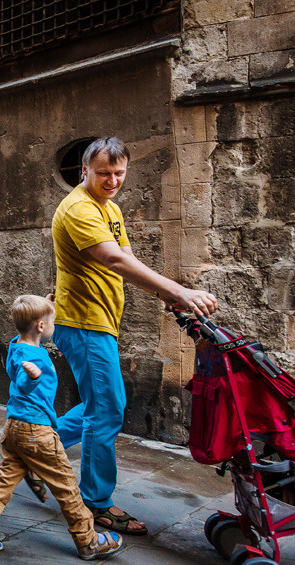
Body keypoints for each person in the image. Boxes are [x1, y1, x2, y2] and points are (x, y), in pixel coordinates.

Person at [50, 137, 218, 536]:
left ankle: (35, 447)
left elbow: (127, 260)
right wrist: (179, 291)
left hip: (100, 320)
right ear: (85, 171)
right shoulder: (78, 208)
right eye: (104, 173)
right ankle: (96, 502)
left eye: (119, 173)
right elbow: (112, 258)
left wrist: (166, 296)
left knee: (101, 405)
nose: (112, 180)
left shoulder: (109, 208)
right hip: (84, 321)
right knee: (107, 409)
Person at [0, 295, 124, 560]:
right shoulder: (33, 358)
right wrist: (32, 377)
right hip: (37, 432)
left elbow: (26, 335)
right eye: (52, 322)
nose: (54, 326)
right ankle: (88, 540)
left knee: (5, 479)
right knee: (67, 487)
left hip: (13, 428)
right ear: (39, 326)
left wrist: (46, 306)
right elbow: (24, 382)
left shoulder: (17, 345)